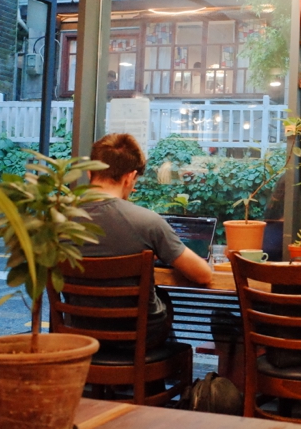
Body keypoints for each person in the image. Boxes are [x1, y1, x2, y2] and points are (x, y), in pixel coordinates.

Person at [76, 133, 212, 347]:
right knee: (163, 302)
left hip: (80, 336)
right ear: (130, 177)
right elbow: (203, 275)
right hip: (137, 340)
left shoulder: (59, 221)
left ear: (89, 172)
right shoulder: (147, 222)